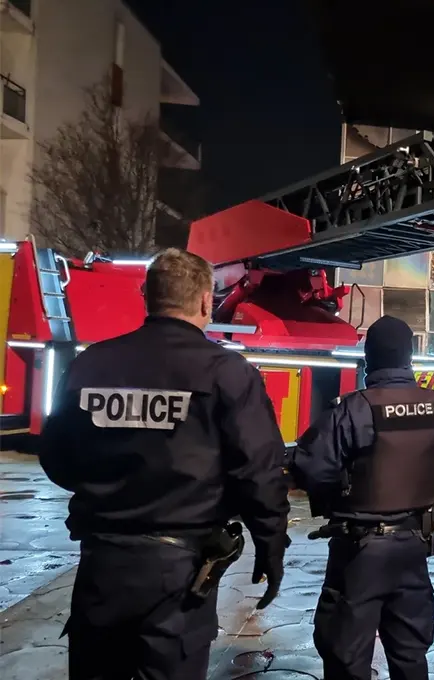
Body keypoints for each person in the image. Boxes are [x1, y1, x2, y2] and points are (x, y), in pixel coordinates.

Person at [39, 248, 291, 680]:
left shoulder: (91, 363)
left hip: (102, 565)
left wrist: (110, 489)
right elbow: (258, 470)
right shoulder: (226, 372)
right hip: (179, 578)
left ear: (146, 296)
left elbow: (58, 456)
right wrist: (271, 544)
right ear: (205, 302)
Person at [290, 315, 434, 680]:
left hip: (359, 554)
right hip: (414, 547)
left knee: (347, 655)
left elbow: (310, 467)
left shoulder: (353, 409)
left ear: (368, 359)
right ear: (409, 356)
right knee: (410, 653)